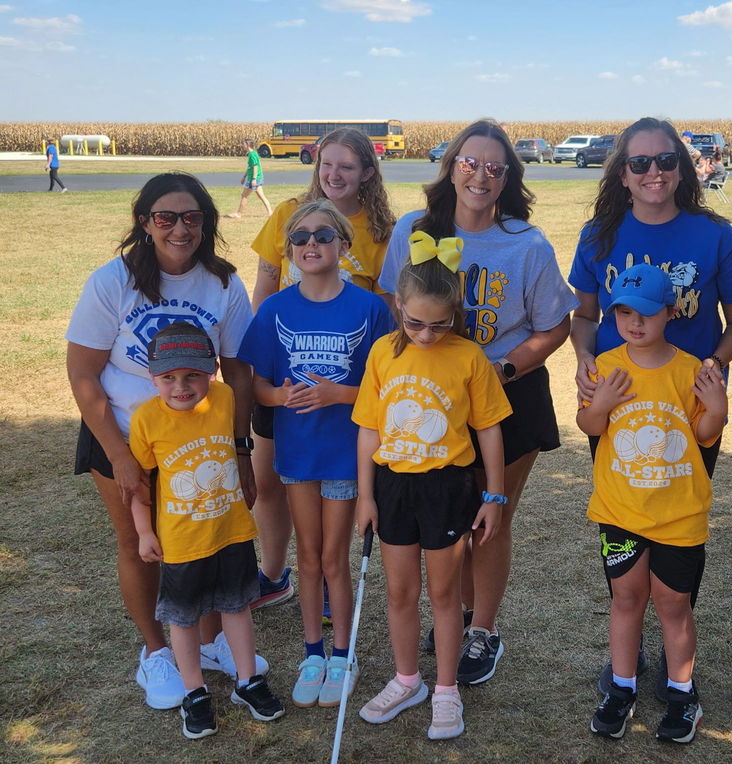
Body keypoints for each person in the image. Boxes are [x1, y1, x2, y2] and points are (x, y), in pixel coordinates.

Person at [378, 118, 577, 685]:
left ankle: (482, 629)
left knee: (491, 518)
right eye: (470, 162)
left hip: (509, 397)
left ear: (508, 177)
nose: (480, 175)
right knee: (446, 517)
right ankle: (455, 616)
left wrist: (503, 368)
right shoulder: (414, 229)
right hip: (432, 401)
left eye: (494, 167)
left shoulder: (527, 244)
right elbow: (392, 298)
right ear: (451, 167)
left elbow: (555, 325)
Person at [66, 172, 262, 710]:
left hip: (200, 442)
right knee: (142, 543)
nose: (180, 228)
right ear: (145, 222)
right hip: (124, 434)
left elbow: (237, 372)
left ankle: (209, 644)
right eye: (166, 217)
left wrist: (240, 450)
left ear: (206, 223)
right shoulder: (114, 281)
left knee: (208, 536)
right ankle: (156, 652)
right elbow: (83, 375)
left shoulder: (222, 283)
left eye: (192, 217)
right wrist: (120, 456)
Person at [568, 116, 732, 691]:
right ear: (622, 173)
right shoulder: (599, 235)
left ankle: (675, 637)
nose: (654, 172)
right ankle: (630, 645)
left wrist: (713, 365)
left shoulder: (714, 235)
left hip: (687, 404)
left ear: (683, 168)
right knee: (624, 510)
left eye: (666, 160)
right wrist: (583, 359)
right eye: (639, 162)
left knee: (678, 519)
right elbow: (584, 315)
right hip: (616, 401)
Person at [353, 236, 512, 739]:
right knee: (400, 591)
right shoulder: (382, 353)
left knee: (444, 594)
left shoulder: (469, 357)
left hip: (446, 486)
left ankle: (446, 689)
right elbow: (369, 429)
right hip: (393, 486)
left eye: (439, 324)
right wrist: (365, 495)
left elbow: (489, 429)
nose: (426, 334)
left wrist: (494, 496)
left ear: (455, 315)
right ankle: (407, 681)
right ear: (398, 306)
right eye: (415, 322)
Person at [237, 200, 394, 708]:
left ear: (343, 246)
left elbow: (387, 388)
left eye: (323, 235)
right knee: (306, 556)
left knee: (332, 557)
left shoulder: (369, 309)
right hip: (297, 454)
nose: (311, 243)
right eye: (300, 237)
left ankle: (343, 654)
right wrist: (281, 397)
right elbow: (257, 385)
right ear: (288, 250)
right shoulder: (275, 310)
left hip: (346, 455)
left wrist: (337, 394)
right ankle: (312, 654)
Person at [246, 128, 396, 618]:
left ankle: (333, 581)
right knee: (271, 479)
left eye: (347, 166)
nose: (334, 174)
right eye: (327, 164)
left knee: (336, 490)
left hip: (345, 388)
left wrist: (347, 391)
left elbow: (386, 317)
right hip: (286, 370)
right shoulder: (288, 213)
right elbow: (265, 288)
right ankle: (274, 573)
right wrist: (270, 363)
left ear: (367, 173)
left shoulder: (382, 231)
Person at [579, 264, 726, 743]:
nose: (635, 322)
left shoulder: (691, 369)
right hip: (620, 511)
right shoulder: (605, 366)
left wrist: (717, 410)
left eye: (645, 312)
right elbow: (590, 426)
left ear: (670, 312)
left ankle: (682, 694)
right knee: (626, 599)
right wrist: (601, 403)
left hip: (678, 513)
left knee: (673, 604)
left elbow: (703, 435)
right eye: (624, 312)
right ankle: (621, 688)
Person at [129, 322, 285, 739]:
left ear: (212, 371)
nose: (181, 386)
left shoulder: (226, 398)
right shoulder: (146, 420)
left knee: (237, 607)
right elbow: (140, 485)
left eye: (192, 375)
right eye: (168, 377)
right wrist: (145, 532)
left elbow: (238, 445)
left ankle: (247, 680)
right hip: (182, 542)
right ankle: (193, 692)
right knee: (184, 619)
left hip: (231, 531)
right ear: (152, 377)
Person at [224, 138, 272, 218]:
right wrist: (244, 176)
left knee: (244, 195)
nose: (242, 146)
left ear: (247, 145)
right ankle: (270, 213)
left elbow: (255, 166)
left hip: (254, 179)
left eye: (244, 144)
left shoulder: (252, 154)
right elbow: (250, 167)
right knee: (261, 196)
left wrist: (254, 179)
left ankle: (239, 213)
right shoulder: (253, 153)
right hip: (257, 178)